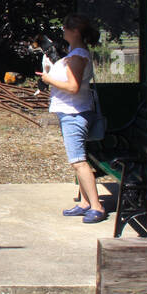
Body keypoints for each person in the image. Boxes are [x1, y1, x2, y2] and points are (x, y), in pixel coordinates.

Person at [39, 13, 106, 223]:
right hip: (72, 111)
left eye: (65, 29)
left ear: (75, 31)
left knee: (78, 161)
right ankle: (85, 202)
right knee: (78, 159)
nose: (63, 32)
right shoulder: (76, 53)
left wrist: (49, 79)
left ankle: (97, 206)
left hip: (74, 113)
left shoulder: (77, 56)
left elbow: (73, 86)